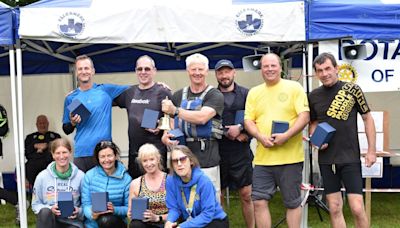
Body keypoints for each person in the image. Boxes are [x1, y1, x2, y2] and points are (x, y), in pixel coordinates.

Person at [308, 52, 376, 228]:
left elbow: (367, 118)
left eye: (328, 68)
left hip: (350, 157)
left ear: (336, 68)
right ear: (316, 73)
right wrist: (315, 141)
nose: (325, 73)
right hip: (327, 159)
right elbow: (313, 123)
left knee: (357, 207)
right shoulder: (313, 95)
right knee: (335, 208)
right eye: (320, 70)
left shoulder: (352, 90)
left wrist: (371, 150)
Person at [244, 53, 310, 228]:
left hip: (290, 159)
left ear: (280, 67)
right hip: (263, 159)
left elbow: (304, 117)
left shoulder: (294, 87)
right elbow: (248, 120)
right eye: (266, 66)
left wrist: (286, 136)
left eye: (273, 65)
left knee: (292, 202)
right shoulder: (254, 92)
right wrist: (259, 136)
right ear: (261, 69)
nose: (269, 69)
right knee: (258, 201)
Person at [161, 53, 224, 201]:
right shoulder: (177, 95)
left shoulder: (215, 95)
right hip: (182, 155)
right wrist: (165, 134)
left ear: (207, 71)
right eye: (193, 69)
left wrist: (176, 110)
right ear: (187, 71)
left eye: (201, 69)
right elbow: (168, 120)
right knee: (184, 197)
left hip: (207, 156)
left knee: (210, 197)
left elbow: (202, 118)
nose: (197, 73)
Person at [62, 55, 128, 172]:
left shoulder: (105, 90)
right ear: (76, 72)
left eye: (86, 68)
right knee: (82, 189)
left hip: (103, 152)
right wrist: (72, 123)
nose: (83, 71)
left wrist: (156, 85)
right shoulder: (71, 98)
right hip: (81, 153)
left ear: (93, 71)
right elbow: (66, 129)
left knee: (100, 189)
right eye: (80, 69)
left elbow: (135, 90)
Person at [115, 55, 172, 179]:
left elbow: (173, 116)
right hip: (135, 154)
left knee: (158, 192)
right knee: (137, 192)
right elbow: (104, 99)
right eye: (140, 69)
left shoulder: (163, 91)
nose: (143, 72)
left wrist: (161, 125)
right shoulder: (129, 92)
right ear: (136, 71)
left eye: (147, 69)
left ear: (154, 71)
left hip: (155, 155)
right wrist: (80, 92)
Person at [214, 59, 255, 228]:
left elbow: (255, 118)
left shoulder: (247, 94)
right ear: (216, 75)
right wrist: (226, 132)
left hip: (241, 152)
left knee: (246, 194)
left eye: (227, 71)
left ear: (234, 73)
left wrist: (244, 133)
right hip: (218, 152)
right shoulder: (211, 95)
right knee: (219, 195)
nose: (224, 76)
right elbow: (206, 121)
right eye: (220, 72)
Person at [164, 145, 228, 228]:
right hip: (190, 220)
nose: (179, 164)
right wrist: (169, 221)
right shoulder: (170, 181)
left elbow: (207, 214)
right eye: (175, 161)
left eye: (182, 159)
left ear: (191, 161)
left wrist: (183, 227)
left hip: (213, 220)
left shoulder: (204, 181)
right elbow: (174, 208)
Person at [31, 138, 85, 228]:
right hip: (50, 221)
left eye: (64, 152)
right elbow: (36, 204)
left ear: (70, 152)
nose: (61, 156)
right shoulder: (42, 177)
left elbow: (87, 204)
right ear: (52, 155)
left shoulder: (81, 176)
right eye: (58, 153)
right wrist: (50, 209)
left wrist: (78, 211)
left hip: (72, 222)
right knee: (45, 212)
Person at [81, 140, 131, 228]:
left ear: (115, 156)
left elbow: (129, 208)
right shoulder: (89, 175)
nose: (106, 160)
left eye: (109, 155)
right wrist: (92, 214)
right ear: (98, 158)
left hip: (115, 222)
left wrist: (114, 210)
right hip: (93, 223)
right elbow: (86, 204)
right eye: (102, 156)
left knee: (106, 220)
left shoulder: (126, 179)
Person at [127, 143, 168, 228]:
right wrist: (130, 214)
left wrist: (157, 218)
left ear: (158, 159)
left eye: (151, 159)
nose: (149, 164)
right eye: (145, 161)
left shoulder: (169, 180)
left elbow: (178, 212)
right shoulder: (135, 184)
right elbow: (130, 213)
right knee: (135, 224)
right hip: (145, 224)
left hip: (165, 223)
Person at [25, 115, 61, 186]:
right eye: (40, 123)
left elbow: (59, 150)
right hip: (33, 166)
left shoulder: (55, 136)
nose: (42, 125)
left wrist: (47, 145)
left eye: (44, 123)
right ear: (36, 125)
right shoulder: (30, 137)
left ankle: (55, 194)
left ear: (48, 124)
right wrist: (34, 146)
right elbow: (27, 154)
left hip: (50, 164)